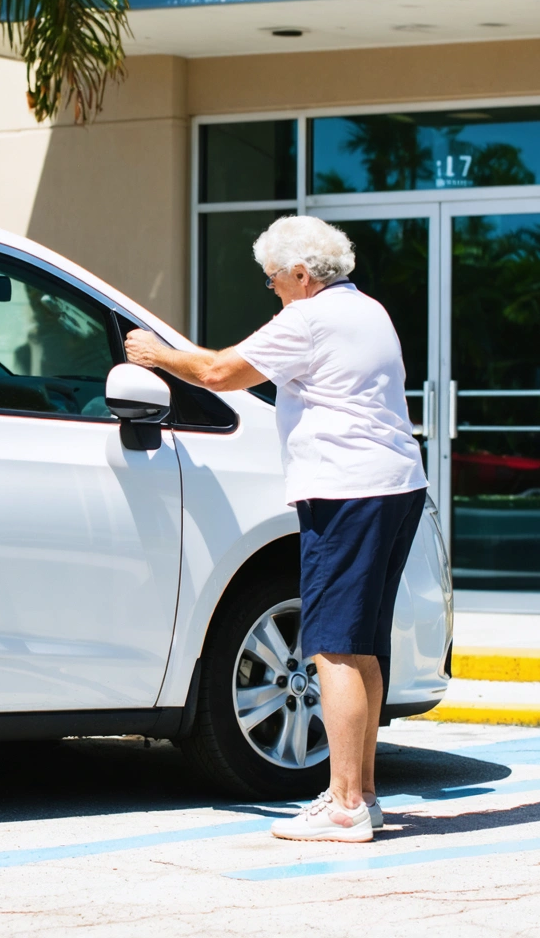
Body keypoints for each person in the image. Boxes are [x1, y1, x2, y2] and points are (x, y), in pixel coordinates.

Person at [125, 215, 428, 843]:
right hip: (396, 484)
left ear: (300, 272)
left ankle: (343, 804)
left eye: (274, 280)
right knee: (364, 643)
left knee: (334, 645)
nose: (273, 292)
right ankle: (363, 794)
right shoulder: (368, 309)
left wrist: (155, 354)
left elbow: (219, 373)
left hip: (346, 489)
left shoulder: (309, 318)